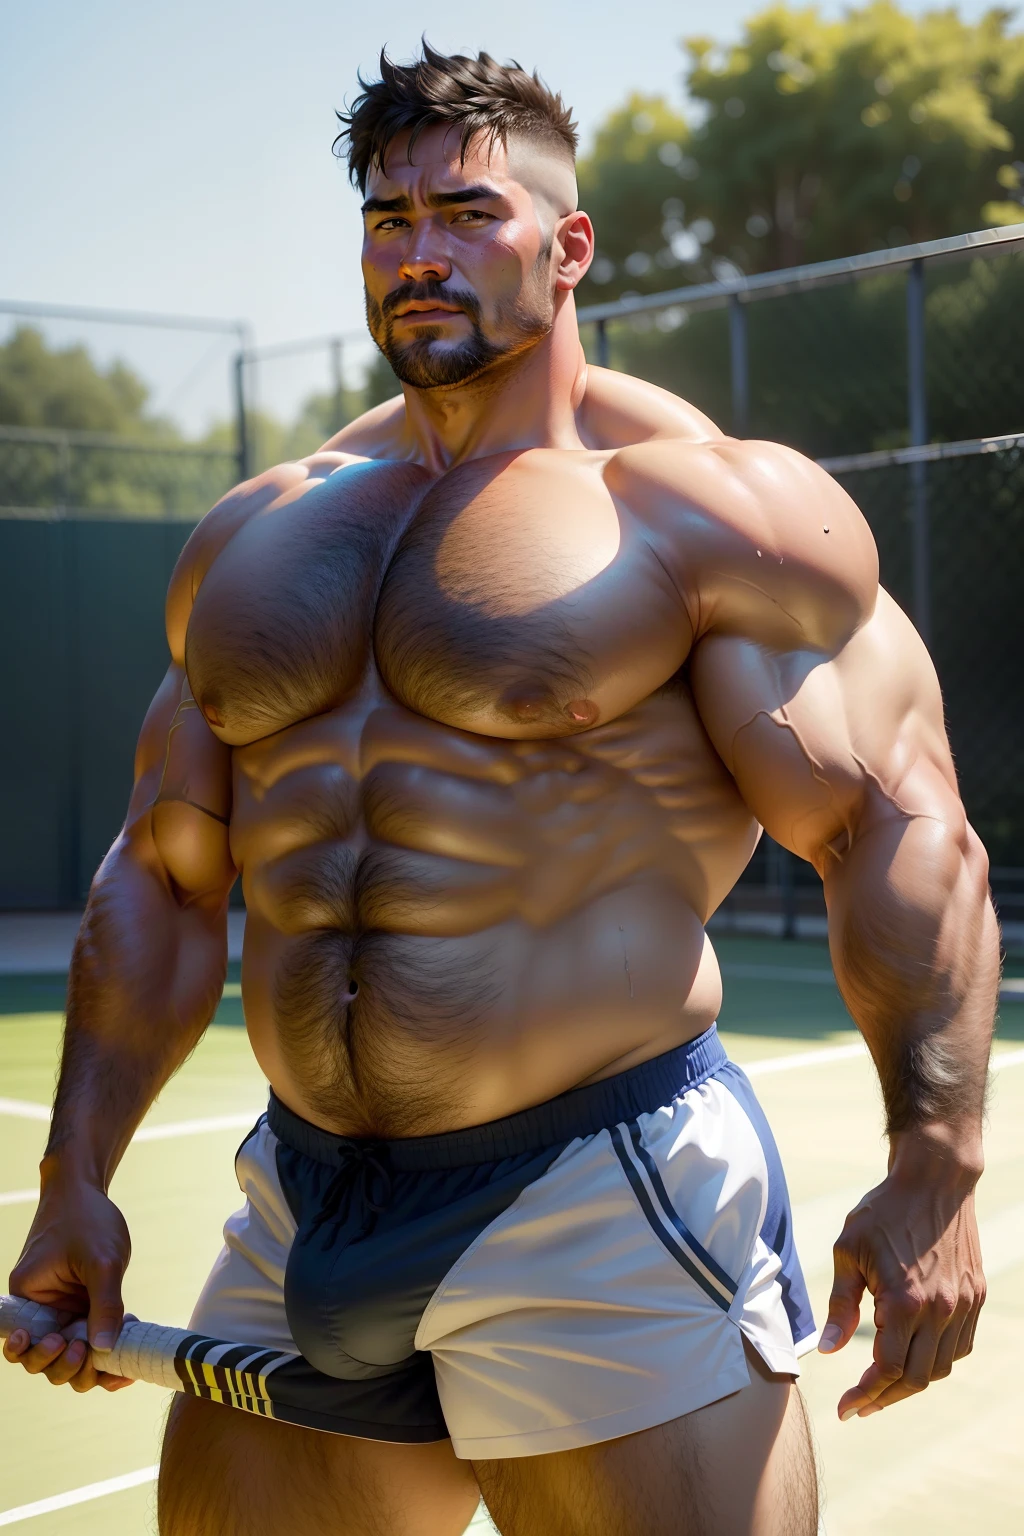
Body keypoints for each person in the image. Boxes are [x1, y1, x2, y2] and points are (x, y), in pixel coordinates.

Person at [5, 44, 997, 1536]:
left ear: (568, 243)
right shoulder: (260, 535)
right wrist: (74, 1170)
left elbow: (892, 822)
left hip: (597, 1194)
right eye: (387, 222)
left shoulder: (705, 506)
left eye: (467, 214)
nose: (419, 255)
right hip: (305, 1200)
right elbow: (162, 870)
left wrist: (936, 1163)